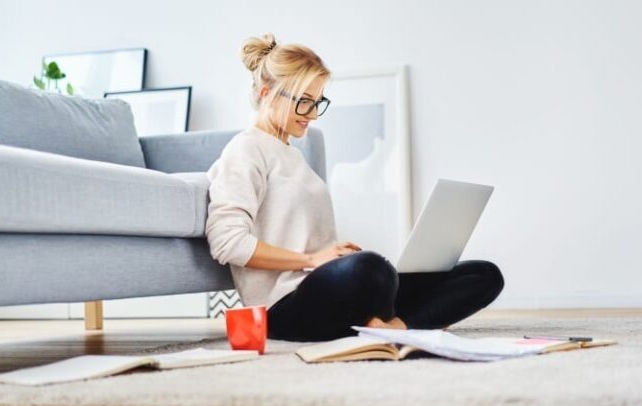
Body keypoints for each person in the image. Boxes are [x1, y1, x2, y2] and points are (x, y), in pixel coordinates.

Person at [205, 32, 505, 342]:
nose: (311, 114)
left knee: (483, 274)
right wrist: (312, 260)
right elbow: (227, 242)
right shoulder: (245, 150)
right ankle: (410, 317)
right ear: (267, 94)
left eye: (317, 101)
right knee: (371, 269)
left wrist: (331, 259)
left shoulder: (292, 154)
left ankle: (393, 328)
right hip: (283, 307)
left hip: (328, 289)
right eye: (304, 102)